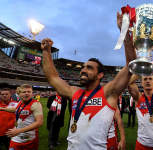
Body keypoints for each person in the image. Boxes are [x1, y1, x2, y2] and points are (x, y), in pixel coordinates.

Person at [41, 13, 136, 150]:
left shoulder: (108, 93)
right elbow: (53, 78)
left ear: (100, 75)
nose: (83, 70)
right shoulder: (74, 92)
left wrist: (125, 32)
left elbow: (130, 66)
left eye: (89, 68)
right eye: (83, 67)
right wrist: (46, 52)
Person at [1, 84, 43, 150]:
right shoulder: (20, 102)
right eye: (24, 92)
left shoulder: (36, 104)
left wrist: (18, 131)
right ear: (19, 94)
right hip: (16, 136)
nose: (27, 93)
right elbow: (15, 109)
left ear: (32, 93)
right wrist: (2, 108)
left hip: (29, 138)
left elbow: (39, 122)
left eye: (29, 92)